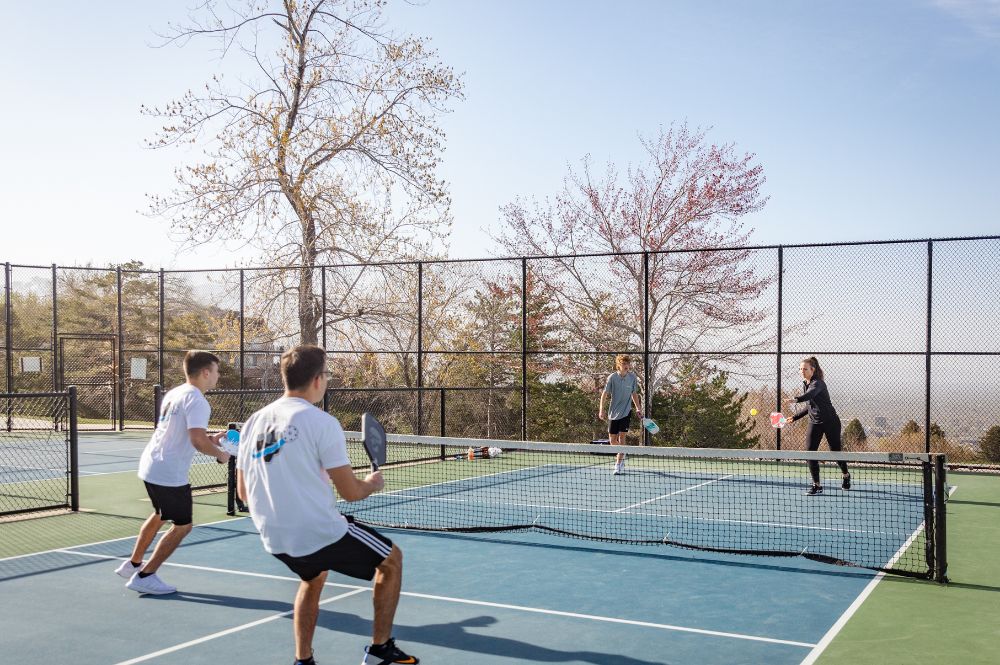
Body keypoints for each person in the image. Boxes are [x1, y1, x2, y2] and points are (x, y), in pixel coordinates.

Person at [237, 345, 418, 665]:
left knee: (313, 576)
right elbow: (350, 492)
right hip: (317, 531)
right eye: (327, 375)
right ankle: (380, 650)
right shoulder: (322, 423)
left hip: (273, 537)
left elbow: (242, 493)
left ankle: (302, 660)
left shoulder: (253, 422)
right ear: (318, 379)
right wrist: (372, 484)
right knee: (392, 561)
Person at [116, 350, 230, 594]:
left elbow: (186, 435)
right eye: (216, 371)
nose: (218, 376)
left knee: (160, 514)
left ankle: (133, 563)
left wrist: (213, 439)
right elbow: (197, 441)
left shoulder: (175, 393)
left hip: (151, 465)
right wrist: (221, 455)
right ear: (205, 372)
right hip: (169, 472)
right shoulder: (198, 400)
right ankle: (145, 575)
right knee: (183, 525)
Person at [785, 356, 850, 495]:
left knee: (836, 452)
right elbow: (810, 406)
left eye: (805, 369)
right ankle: (817, 485)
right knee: (810, 453)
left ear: (812, 370)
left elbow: (810, 395)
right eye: (800, 369)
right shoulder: (806, 383)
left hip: (830, 422)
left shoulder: (818, 383)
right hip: (815, 422)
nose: (802, 371)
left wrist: (796, 399)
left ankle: (846, 475)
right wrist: (795, 417)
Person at [598, 354, 643, 475]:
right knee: (612, 440)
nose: (626, 366)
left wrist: (638, 408)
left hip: (626, 412)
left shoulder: (632, 377)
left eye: (628, 363)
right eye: (623, 364)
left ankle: (618, 464)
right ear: (619, 365)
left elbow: (634, 394)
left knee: (622, 437)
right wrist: (601, 409)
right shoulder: (612, 377)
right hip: (613, 413)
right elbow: (604, 394)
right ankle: (623, 451)